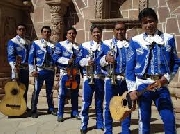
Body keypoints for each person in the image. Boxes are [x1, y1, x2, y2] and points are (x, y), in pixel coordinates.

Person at [126, 8, 179, 134]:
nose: (148, 25)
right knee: (144, 120)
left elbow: (175, 62)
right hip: (143, 85)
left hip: (160, 85)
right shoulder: (135, 41)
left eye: (151, 21)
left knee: (169, 118)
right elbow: (129, 67)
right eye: (145, 22)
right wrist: (132, 89)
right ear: (141, 24)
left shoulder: (168, 39)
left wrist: (167, 78)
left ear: (156, 21)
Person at [99, 21, 131, 134]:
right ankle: (108, 131)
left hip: (126, 80)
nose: (119, 32)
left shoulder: (130, 44)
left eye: (122, 29)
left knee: (126, 105)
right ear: (113, 31)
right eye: (117, 29)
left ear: (125, 30)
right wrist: (106, 59)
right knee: (108, 106)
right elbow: (100, 62)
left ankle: (125, 130)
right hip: (110, 79)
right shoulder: (106, 44)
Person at [78, 25, 105, 134]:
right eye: (94, 32)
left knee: (99, 102)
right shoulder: (84, 46)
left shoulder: (106, 46)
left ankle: (100, 122)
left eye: (98, 32)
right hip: (88, 78)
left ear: (101, 33)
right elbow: (78, 61)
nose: (96, 34)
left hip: (100, 78)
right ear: (91, 33)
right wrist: (86, 62)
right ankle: (84, 124)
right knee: (86, 102)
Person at [52, 27, 81, 122]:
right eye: (69, 33)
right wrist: (67, 61)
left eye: (73, 33)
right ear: (66, 35)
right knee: (62, 93)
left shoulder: (78, 46)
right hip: (65, 72)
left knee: (75, 93)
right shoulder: (60, 45)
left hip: (75, 73)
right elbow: (55, 57)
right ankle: (60, 113)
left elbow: (80, 59)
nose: (71, 35)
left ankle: (75, 111)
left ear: (75, 35)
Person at [28, 26, 56, 118]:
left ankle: (51, 108)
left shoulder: (54, 45)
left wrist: (58, 70)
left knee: (50, 91)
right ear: (41, 33)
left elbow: (56, 59)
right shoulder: (36, 43)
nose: (46, 33)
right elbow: (31, 58)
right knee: (37, 90)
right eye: (44, 32)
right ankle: (33, 110)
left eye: (48, 32)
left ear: (50, 33)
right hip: (40, 70)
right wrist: (32, 70)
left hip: (50, 71)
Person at [7, 23, 31, 112]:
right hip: (17, 68)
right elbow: (10, 56)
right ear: (17, 31)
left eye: (23, 29)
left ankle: (23, 105)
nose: (21, 31)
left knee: (25, 88)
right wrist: (13, 67)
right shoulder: (12, 42)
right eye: (20, 29)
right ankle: (15, 106)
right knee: (16, 88)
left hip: (25, 68)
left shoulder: (28, 42)